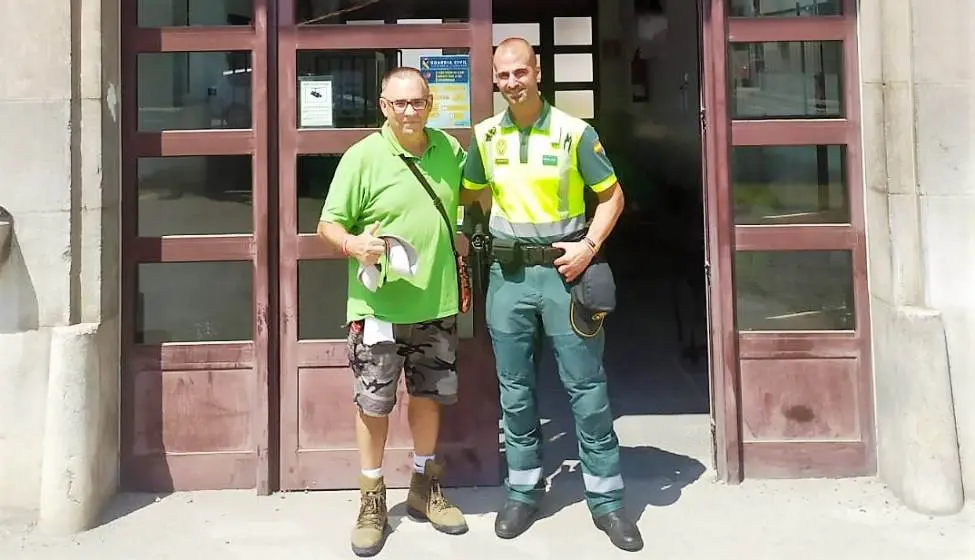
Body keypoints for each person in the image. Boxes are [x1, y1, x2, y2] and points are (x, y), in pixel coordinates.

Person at [460, 37, 644, 552]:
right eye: (503, 75)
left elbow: (612, 195)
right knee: (515, 392)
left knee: (586, 390)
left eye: (520, 72)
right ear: (494, 80)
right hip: (508, 278)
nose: (512, 82)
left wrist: (588, 246)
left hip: (565, 276)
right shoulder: (486, 136)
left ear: (538, 73)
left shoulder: (574, 133)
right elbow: (470, 192)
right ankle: (523, 490)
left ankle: (607, 502)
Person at [318, 66, 469, 557]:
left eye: (418, 102)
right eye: (399, 103)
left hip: (436, 304)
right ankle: (372, 498)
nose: (409, 112)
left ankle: (424, 488)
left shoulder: (449, 151)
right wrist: (353, 244)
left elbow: (472, 198)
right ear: (384, 106)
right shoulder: (363, 158)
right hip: (378, 307)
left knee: (428, 398)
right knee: (374, 404)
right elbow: (328, 224)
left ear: (430, 104)